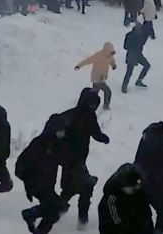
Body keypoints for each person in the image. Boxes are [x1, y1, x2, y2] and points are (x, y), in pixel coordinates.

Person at [58, 88, 110, 228]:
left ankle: (58, 210)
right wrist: (104, 138)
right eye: (93, 104)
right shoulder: (83, 116)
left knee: (69, 187)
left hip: (70, 159)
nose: (93, 108)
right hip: (75, 159)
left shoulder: (73, 114)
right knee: (86, 187)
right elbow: (96, 133)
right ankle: (82, 220)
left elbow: (95, 132)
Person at [17, 114, 67, 234]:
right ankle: (31, 216)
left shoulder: (57, 145)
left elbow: (63, 160)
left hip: (47, 184)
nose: (62, 134)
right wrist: (28, 183)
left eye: (63, 132)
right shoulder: (39, 144)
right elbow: (21, 165)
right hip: (37, 184)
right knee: (54, 209)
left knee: (59, 208)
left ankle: (31, 217)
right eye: (60, 131)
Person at [98, 163, 153, 234]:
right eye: (131, 189)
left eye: (135, 188)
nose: (133, 191)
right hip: (115, 226)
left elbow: (146, 215)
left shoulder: (140, 193)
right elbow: (113, 218)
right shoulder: (111, 198)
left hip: (132, 221)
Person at [75, 42, 117, 110]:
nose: (111, 54)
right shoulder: (98, 56)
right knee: (107, 91)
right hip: (97, 78)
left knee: (95, 93)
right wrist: (79, 65)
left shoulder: (110, 56)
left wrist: (113, 65)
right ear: (106, 50)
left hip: (102, 78)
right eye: (110, 52)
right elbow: (88, 60)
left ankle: (87, 103)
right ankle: (102, 106)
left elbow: (112, 60)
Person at [121, 23, 150, 93]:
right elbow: (142, 44)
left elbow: (125, 47)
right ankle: (137, 81)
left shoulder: (129, 34)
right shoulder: (140, 36)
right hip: (136, 54)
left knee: (129, 71)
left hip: (132, 54)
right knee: (146, 66)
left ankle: (124, 86)